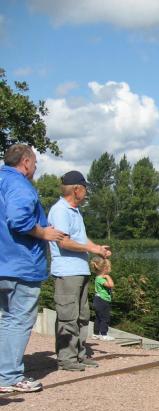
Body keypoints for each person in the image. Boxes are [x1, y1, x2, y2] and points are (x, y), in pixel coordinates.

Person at [0, 144, 67, 393]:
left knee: (7, 319)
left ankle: (4, 371)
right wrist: (43, 233)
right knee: (18, 319)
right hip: (20, 263)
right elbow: (18, 220)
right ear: (26, 162)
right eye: (35, 163)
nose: (36, 167)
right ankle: (8, 377)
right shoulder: (19, 184)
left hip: (3, 262)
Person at [48, 171, 111, 372]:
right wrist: (90, 249)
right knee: (68, 316)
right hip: (67, 272)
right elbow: (64, 242)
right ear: (76, 189)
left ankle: (79, 355)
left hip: (80, 270)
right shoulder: (60, 211)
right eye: (85, 188)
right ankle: (66, 359)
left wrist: (98, 249)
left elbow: (81, 239)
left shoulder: (75, 211)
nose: (86, 192)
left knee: (82, 316)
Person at [90, 256, 114, 341]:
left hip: (98, 300)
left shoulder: (97, 278)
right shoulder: (100, 279)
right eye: (108, 268)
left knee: (98, 318)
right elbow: (111, 285)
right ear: (105, 269)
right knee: (105, 318)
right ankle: (104, 334)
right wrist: (108, 277)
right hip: (102, 300)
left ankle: (95, 334)